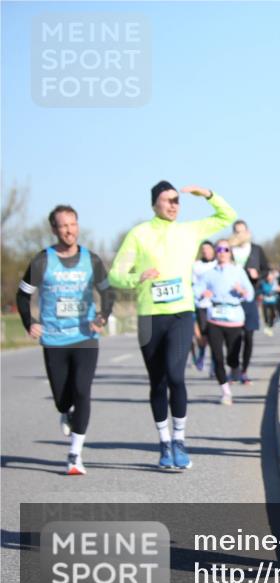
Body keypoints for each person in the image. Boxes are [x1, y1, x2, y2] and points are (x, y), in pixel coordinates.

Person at [108, 181, 237, 470]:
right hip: (150, 317)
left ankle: (180, 440)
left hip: (181, 314)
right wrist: (136, 278)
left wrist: (208, 195)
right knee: (158, 381)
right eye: (167, 200)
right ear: (154, 204)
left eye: (177, 200)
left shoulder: (189, 231)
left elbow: (227, 216)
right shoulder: (139, 234)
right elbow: (116, 274)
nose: (174, 205)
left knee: (176, 376)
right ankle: (164, 443)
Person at [16, 205, 115, 475]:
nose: (69, 230)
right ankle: (65, 410)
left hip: (85, 336)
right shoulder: (42, 260)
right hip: (54, 339)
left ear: (78, 226)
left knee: (83, 390)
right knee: (62, 398)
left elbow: (108, 293)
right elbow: (23, 295)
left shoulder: (91, 260)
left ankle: (75, 455)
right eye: (63, 225)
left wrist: (103, 317)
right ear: (54, 229)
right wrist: (30, 322)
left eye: (73, 224)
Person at [193, 240, 255, 405]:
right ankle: (225, 392)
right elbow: (197, 290)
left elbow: (250, 294)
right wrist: (202, 294)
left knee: (232, 357)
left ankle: (235, 368)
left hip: (234, 318)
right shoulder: (209, 273)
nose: (222, 252)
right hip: (215, 318)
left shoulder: (238, 271)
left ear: (230, 252)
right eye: (219, 249)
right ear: (215, 252)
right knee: (217, 357)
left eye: (225, 249)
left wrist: (242, 291)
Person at [228, 220, 270, 384]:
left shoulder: (256, 250)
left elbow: (266, 270)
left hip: (250, 297)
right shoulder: (229, 250)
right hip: (232, 298)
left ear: (248, 232)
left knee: (249, 336)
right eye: (236, 232)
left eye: (242, 231)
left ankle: (244, 370)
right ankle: (234, 368)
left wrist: (257, 275)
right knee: (233, 337)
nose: (240, 235)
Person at [191, 240, 217, 372]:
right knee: (202, 336)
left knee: (214, 336)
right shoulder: (196, 266)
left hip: (215, 305)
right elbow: (193, 284)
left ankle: (214, 363)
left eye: (208, 249)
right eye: (203, 249)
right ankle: (201, 353)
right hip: (201, 305)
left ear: (213, 250)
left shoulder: (217, 265)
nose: (206, 251)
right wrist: (200, 293)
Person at [261, 269, 280, 335]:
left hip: (273, 301)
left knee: (273, 315)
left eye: (271, 276)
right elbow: (263, 290)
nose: (269, 277)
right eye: (268, 276)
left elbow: (279, 289)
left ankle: (270, 326)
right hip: (265, 301)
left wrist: (277, 290)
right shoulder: (263, 283)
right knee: (266, 315)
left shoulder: (275, 283)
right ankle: (267, 326)